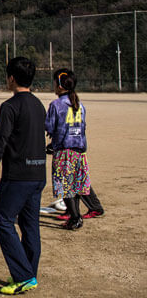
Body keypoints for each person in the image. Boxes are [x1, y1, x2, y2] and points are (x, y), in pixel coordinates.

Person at [0, 57, 46, 295]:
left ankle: (25, 275)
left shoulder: (10, 106)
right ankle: (29, 272)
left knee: (3, 221)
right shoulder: (39, 105)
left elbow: (0, 142)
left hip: (18, 176)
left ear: (12, 78)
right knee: (30, 226)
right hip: (38, 175)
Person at [45, 69, 101, 229]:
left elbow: (50, 126)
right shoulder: (79, 104)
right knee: (76, 183)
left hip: (64, 150)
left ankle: (75, 217)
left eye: (55, 82)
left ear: (60, 86)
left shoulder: (56, 105)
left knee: (65, 184)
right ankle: (74, 214)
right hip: (79, 150)